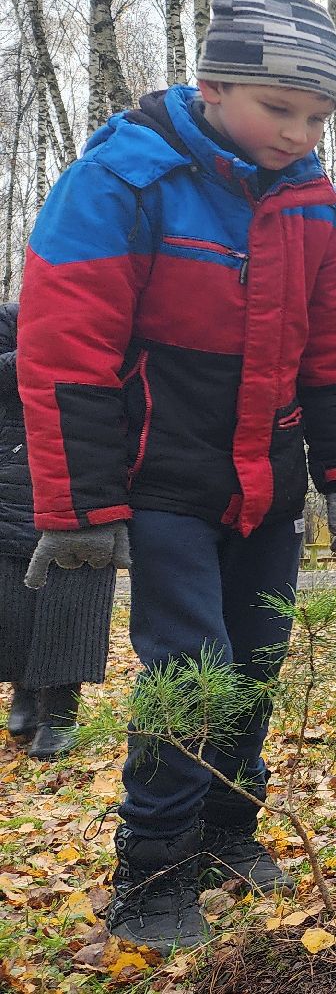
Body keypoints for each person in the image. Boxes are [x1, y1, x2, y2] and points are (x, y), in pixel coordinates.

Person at [16, 0, 336, 950]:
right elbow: (67, 352)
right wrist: (78, 511)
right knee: (192, 667)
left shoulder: (313, 203)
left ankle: (228, 829)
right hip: (162, 480)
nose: (301, 132)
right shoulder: (124, 178)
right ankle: (152, 870)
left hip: (267, 483)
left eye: (317, 116)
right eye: (280, 108)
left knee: (256, 665)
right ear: (213, 87)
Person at [1, 303, 112, 762]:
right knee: (14, 595)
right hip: (13, 474)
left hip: (90, 470)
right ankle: (25, 689)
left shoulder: (108, 317)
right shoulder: (11, 317)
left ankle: (62, 712)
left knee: (75, 594)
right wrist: (46, 346)